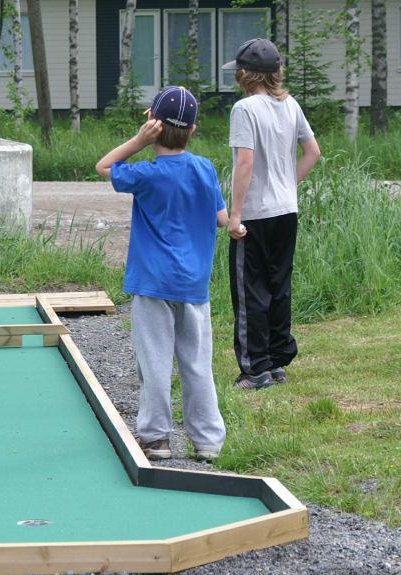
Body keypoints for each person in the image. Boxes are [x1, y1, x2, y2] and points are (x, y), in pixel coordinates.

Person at [95, 86, 228, 463]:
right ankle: (207, 442)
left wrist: (137, 141)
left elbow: (104, 166)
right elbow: (220, 218)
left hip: (153, 284)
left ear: (151, 124)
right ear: (193, 130)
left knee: (154, 363)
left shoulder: (147, 175)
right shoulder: (205, 169)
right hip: (194, 285)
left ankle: (156, 439)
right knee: (197, 364)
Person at [222, 38, 321, 390]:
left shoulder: (245, 110)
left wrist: (235, 215)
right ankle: (278, 361)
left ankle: (255, 368)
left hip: (255, 213)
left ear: (247, 75)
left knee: (250, 290)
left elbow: (245, 162)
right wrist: (286, 184)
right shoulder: (290, 105)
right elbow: (312, 152)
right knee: (279, 285)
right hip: (286, 209)